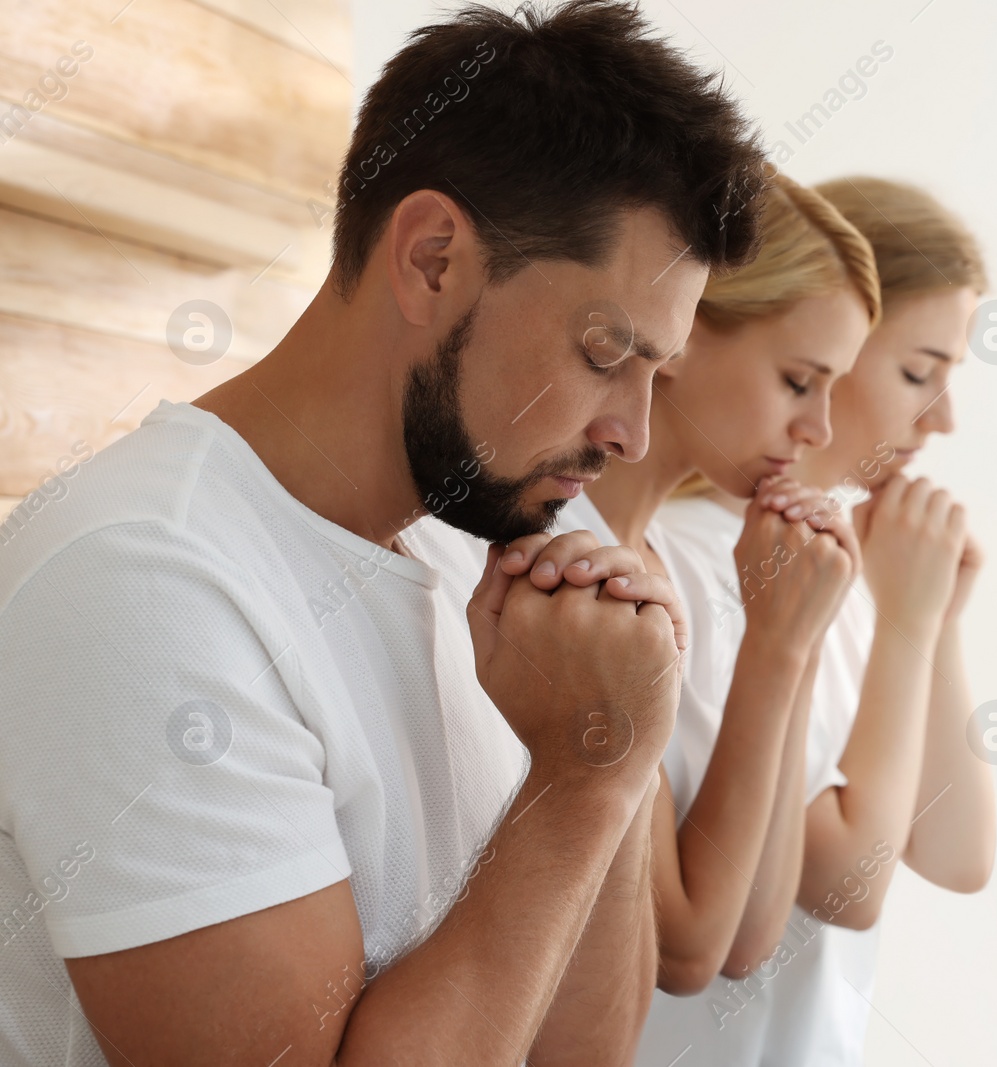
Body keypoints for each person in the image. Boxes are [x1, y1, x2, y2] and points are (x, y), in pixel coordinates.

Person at [0, 3, 768, 1064]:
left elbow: (581, 1051)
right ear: (433, 259)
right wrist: (579, 781)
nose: (632, 433)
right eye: (605, 352)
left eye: (657, 375)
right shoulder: (141, 581)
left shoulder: (479, 552)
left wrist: (613, 747)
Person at [650, 176, 996, 1065]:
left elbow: (959, 854)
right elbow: (847, 882)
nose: (943, 417)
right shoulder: (699, 555)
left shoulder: (828, 564)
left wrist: (934, 620)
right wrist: (910, 629)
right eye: (920, 372)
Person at [542, 173, 881, 1063]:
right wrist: (776, 644)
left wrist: (795, 638)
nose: (818, 427)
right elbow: (689, 946)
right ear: (685, 330)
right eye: (799, 381)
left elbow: (751, 932)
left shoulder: (652, 558)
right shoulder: (574, 562)